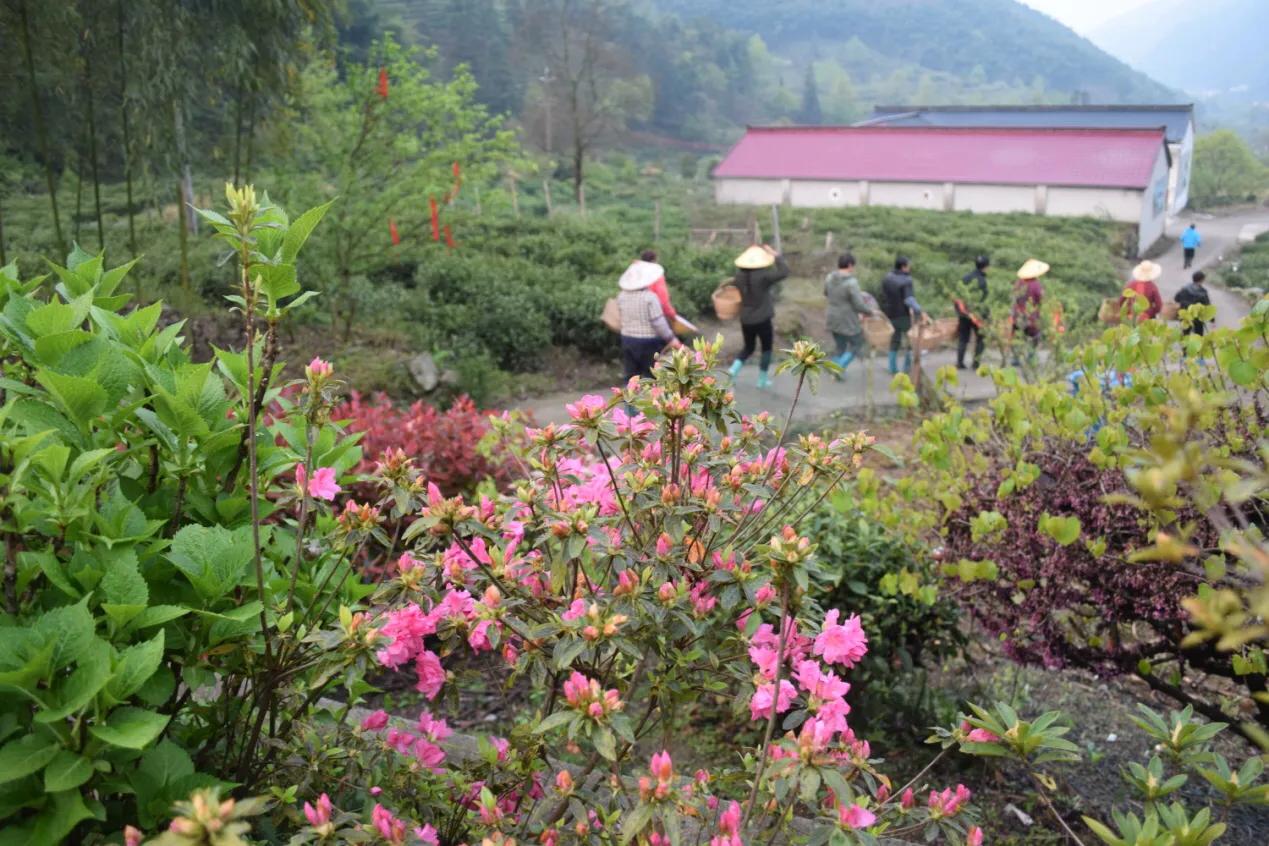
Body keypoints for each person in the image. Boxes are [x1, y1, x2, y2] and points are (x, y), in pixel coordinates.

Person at [727, 244, 789, 389]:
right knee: (766, 348)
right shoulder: (763, 276)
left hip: (746, 319)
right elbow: (784, 272)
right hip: (762, 319)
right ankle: (762, 380)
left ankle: (732, 370)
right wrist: (776, 255)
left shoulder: (738, 277)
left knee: (748, 347)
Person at [616, 259, 681, 381]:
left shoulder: (621, 296)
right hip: (648, 342)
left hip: (627, 339)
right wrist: (671, 339)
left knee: (631, 376)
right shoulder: (650, 297)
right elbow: (658, 323)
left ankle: (629, 399)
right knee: (652, 376)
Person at [823, 252, 875, 377]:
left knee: (840, 345)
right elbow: (858, 304)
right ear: (850, 265)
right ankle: (838, 368)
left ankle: (835, 369)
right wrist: (870, 311)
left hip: (832, 316)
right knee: (857, 343)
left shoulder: (829, 277)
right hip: (847, 319)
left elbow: (826, 293)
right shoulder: (851, 283)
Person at [879, 256, 925, 375]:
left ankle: (892, 368)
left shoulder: (887, 278)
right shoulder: (906, 280)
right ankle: (906, 368)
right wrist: (919, 310)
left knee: (894, 341)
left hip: (890, 314)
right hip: (903, 315)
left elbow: (883, 296)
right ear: (903, 267)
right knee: (910, 340)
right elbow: (909, 299)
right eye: (908, 265)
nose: (910, 268)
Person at [1011, 259, 1049, 364]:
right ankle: (1031, 357)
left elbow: (1014, 298)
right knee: (1034, 337)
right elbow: (1041, 300)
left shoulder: (1018, 283)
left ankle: (1015, 358)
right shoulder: (1036, 285)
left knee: (1018, 337)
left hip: (1018, 315)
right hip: (1031, 317)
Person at [956, 255, 989, 370]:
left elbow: (958, 295)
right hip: (977, 315)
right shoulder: (982, 281)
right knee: (981, 338)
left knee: (963, 338)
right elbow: (984, 300)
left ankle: (959, 362)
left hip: (964, 313)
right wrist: (986, 316)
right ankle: (976, 363)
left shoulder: (965, 277)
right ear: (986, 267)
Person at [1175, 270, 1212, 336]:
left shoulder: (1184, 288)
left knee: (1185, 334)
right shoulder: (1203, 291)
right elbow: (1208, 306)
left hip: (1185, 316)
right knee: (1199, 335)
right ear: (1202, 279)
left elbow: (1176, 299)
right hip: (1197, 317)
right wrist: (1212, 319)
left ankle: (1185, 346)